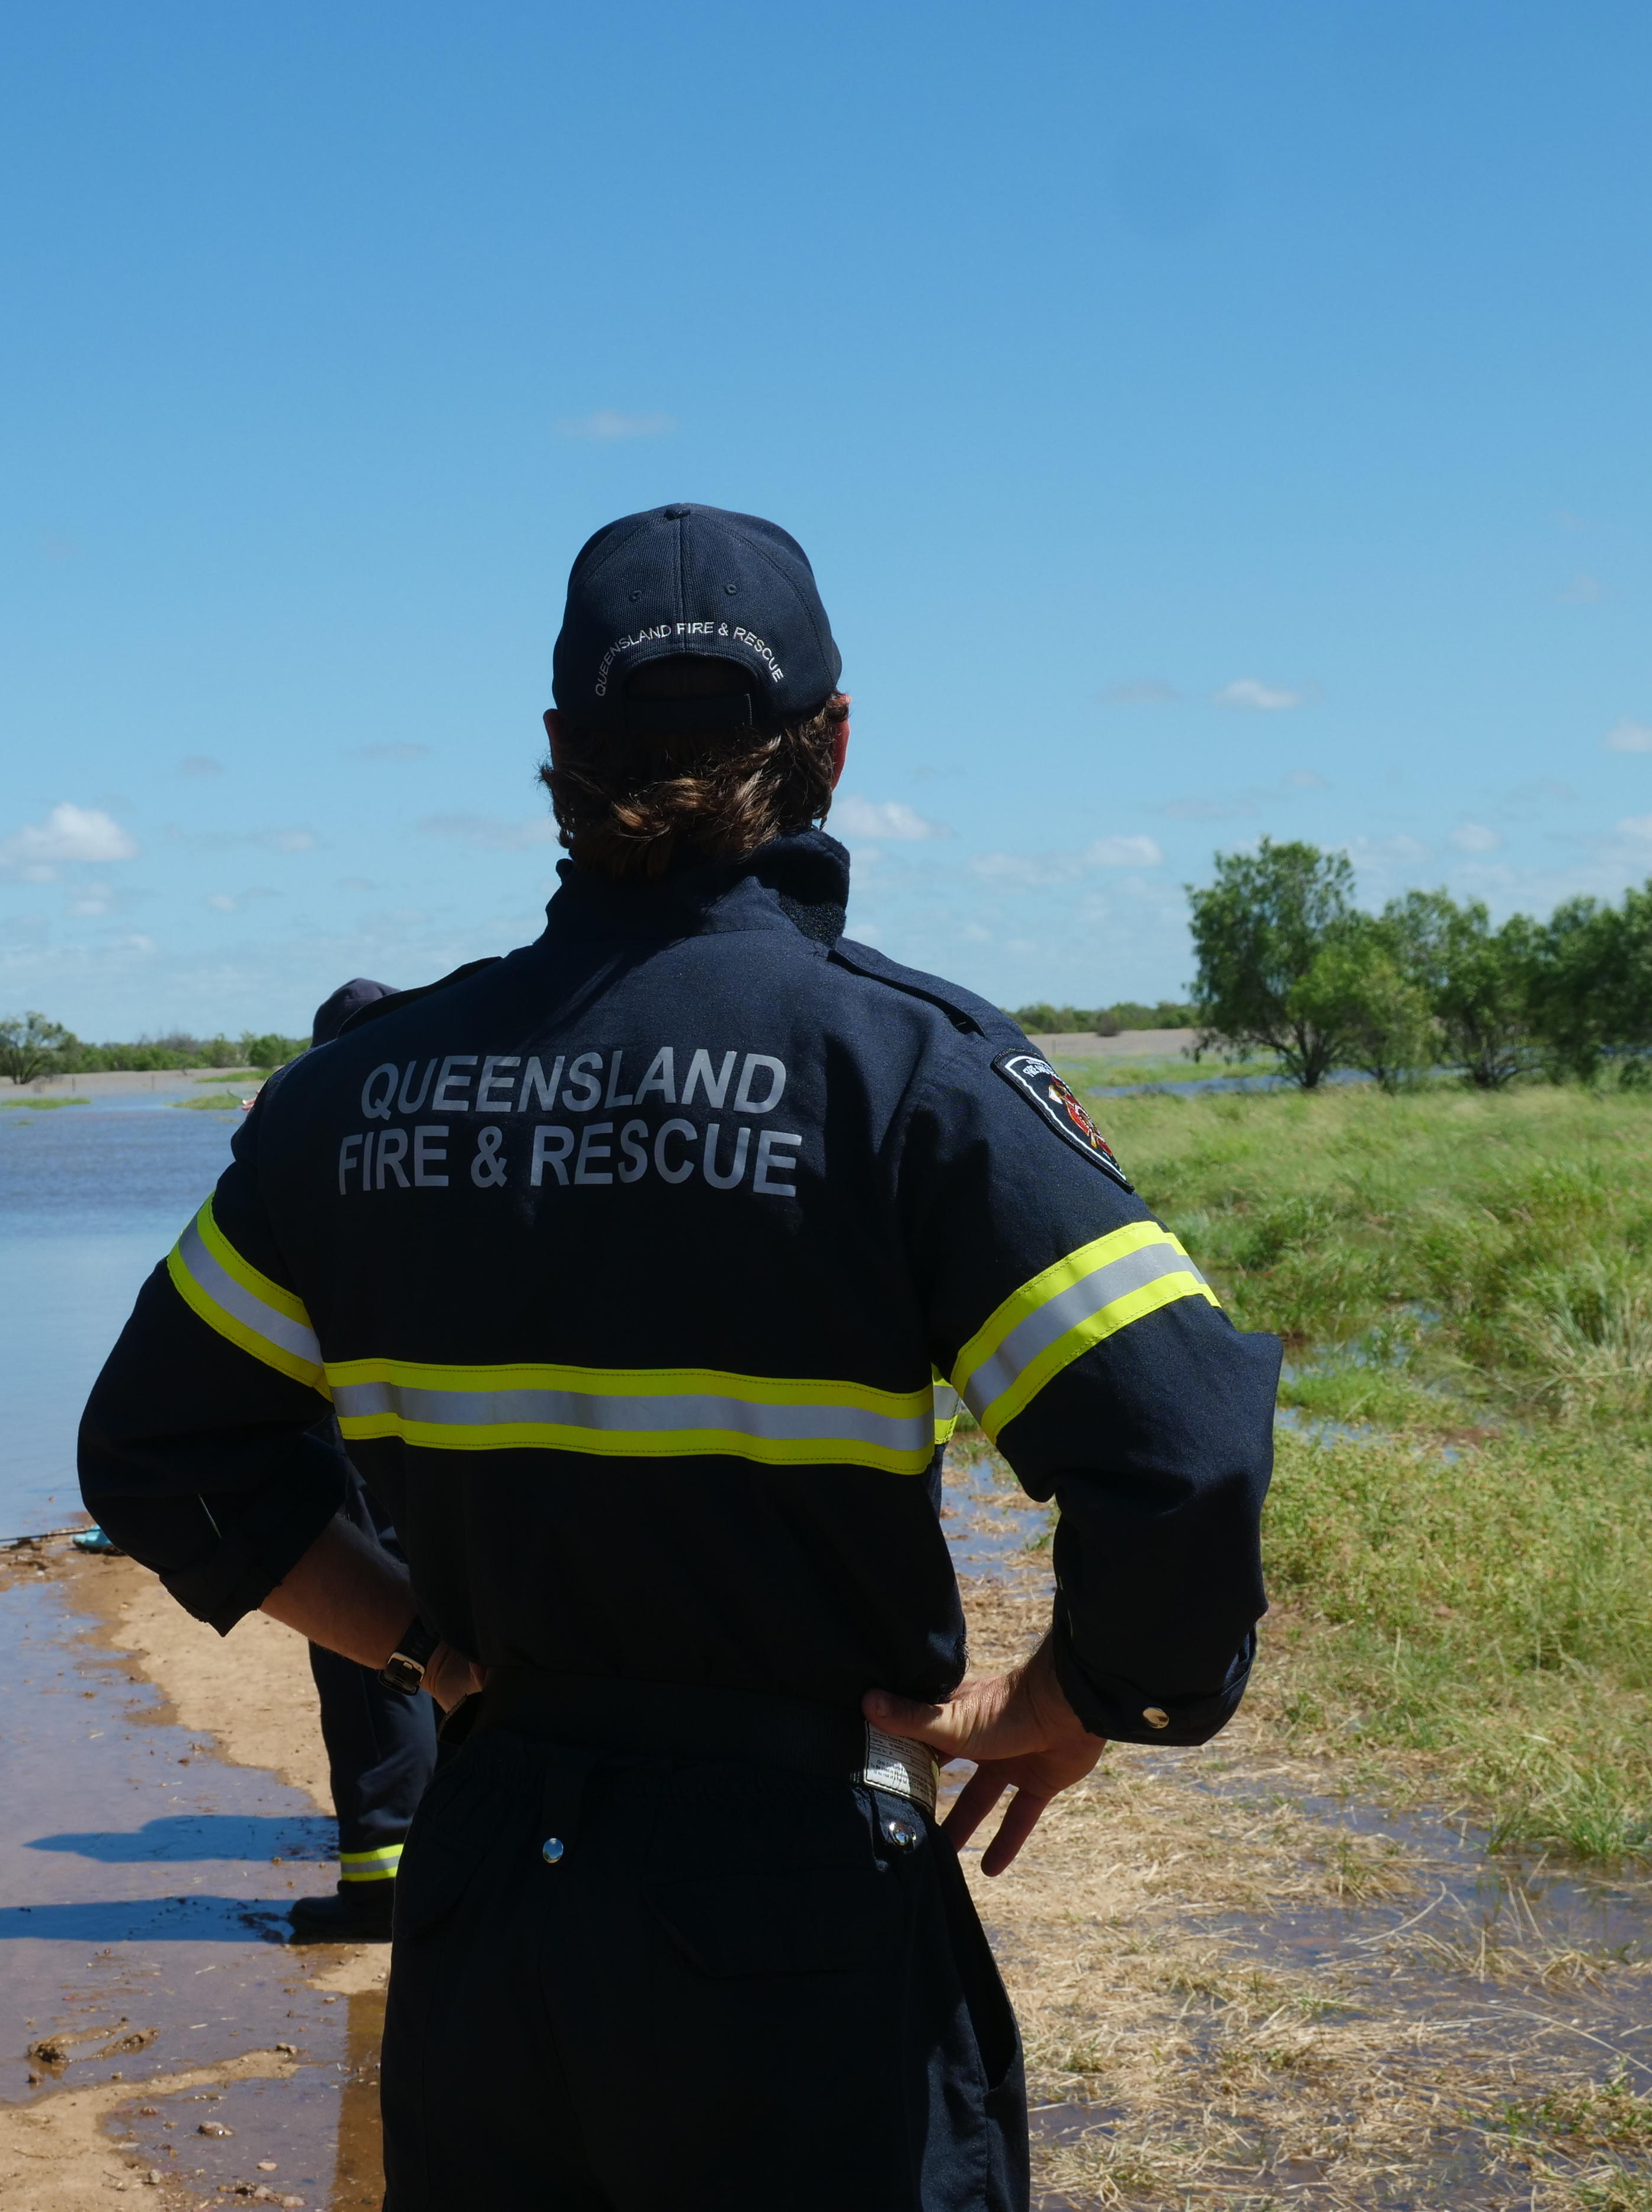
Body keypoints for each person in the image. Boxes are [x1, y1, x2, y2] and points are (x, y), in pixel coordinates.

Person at [78, 502, 1277, 2210]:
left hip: (489, 1915)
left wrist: (424, 1645)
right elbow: (1185, 1450)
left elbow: (157, 1453)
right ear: (833, 745)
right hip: (800, 1916)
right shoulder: (902, 1075)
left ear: (561, 753)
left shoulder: (354, 1100)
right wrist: (1082, 1697)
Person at [284, 977, 436, 1942]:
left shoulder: (318, 1144)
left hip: (351, 1420)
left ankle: (383, 1879)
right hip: (447, 1438)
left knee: (371, 1646)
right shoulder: (444, 1133)